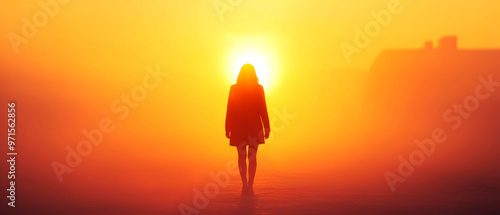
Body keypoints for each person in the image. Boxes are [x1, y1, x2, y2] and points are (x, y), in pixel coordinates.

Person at [225, 63, 270, 195]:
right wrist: (267, 127)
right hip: (254, 127)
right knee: (252, 157)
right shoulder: (259, 88)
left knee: (241, 156)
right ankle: (250, 183)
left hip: (239, 127)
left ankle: (245, 183)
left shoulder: (234, 88)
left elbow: (230, 109)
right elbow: (263, 109)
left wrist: (228, 127)